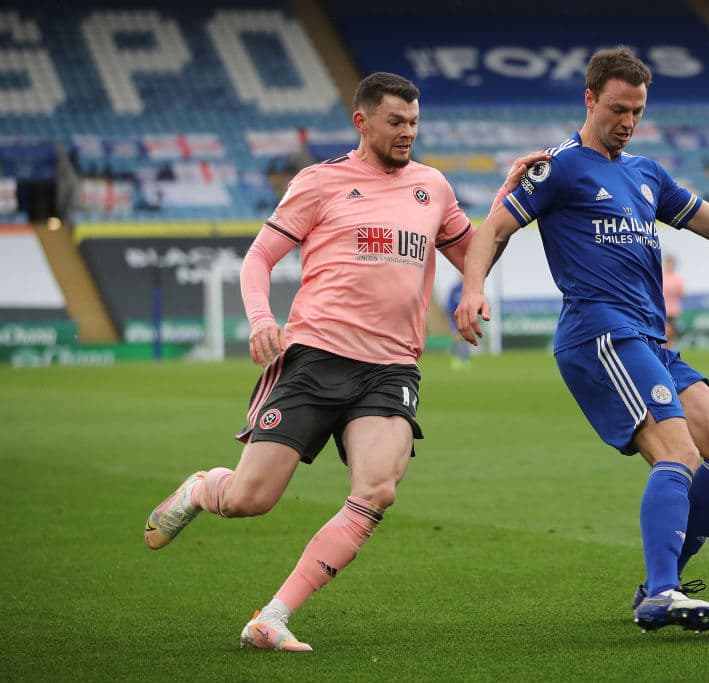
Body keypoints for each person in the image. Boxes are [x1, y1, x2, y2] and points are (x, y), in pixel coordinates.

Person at [455, 47, 709, 634]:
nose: (628, 121)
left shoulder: (646, 173)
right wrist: (473, 288)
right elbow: (495, 226)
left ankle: (659, 584)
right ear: (590, 99)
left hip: (649, 338)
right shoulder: (559, 167)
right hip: (600, 332)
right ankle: (663, 593)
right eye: (617, 109)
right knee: (678, 453)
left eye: (637, 111)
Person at [143, 72, 547, 652]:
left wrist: (506, 205)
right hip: (315, 358)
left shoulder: (432, 186)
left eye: (414, 122)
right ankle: (204, 488)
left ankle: (272, 617)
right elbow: (258, 258)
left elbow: (473, 256)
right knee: (251, 499)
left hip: (391, 368)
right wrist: (260, 318)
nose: (407, 132)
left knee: (377, 490)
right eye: (395, 121)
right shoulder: (320, 182)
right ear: (362, 121)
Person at [447, 277, 472, 369]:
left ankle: (465, 360)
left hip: (466, 317)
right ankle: (455, 359)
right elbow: (449, 304)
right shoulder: (455, 288)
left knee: (466, 339)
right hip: (455, 317)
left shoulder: (470, 288)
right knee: (456, 338)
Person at [661, 255, 686, 347]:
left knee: (671, 334)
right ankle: (664, 349)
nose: (669, 265)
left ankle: (668, 349)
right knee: (666, 331)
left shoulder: (677, 278)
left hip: (674, 310)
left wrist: (674, 292)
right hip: (662, 309)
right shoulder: (661, 276)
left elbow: (682, 294)